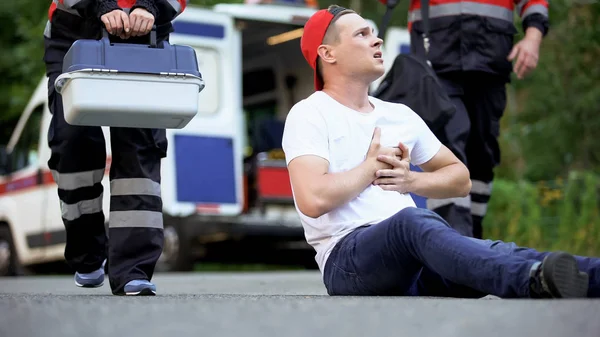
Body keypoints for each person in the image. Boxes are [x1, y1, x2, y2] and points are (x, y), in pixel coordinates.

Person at [281, 5, 599, 298]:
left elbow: (460, 178)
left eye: (374, 33)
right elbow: (313, 200)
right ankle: (532, 281)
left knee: (495, 250)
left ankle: (588, 276)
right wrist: (370, 168)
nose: (376, 41)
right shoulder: (309, 113)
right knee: (414, 223)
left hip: (416, 252)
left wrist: (411, 182)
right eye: (362, 34)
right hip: (349, 260)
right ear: (328, 53)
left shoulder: (399, 114)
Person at [43, 0, 188, 296]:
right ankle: (87, 253)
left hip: (146, 36)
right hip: (73, 33)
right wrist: (100, 5)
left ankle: (132, 270)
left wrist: (151, 7)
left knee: (139, 147)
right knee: (72, 144)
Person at [406, 0, 549, 238]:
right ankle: (455, 244)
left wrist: (533, 38)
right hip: (435, 56)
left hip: (491, 58)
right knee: (449, 146)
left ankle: (472, 242)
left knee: (482, 153)